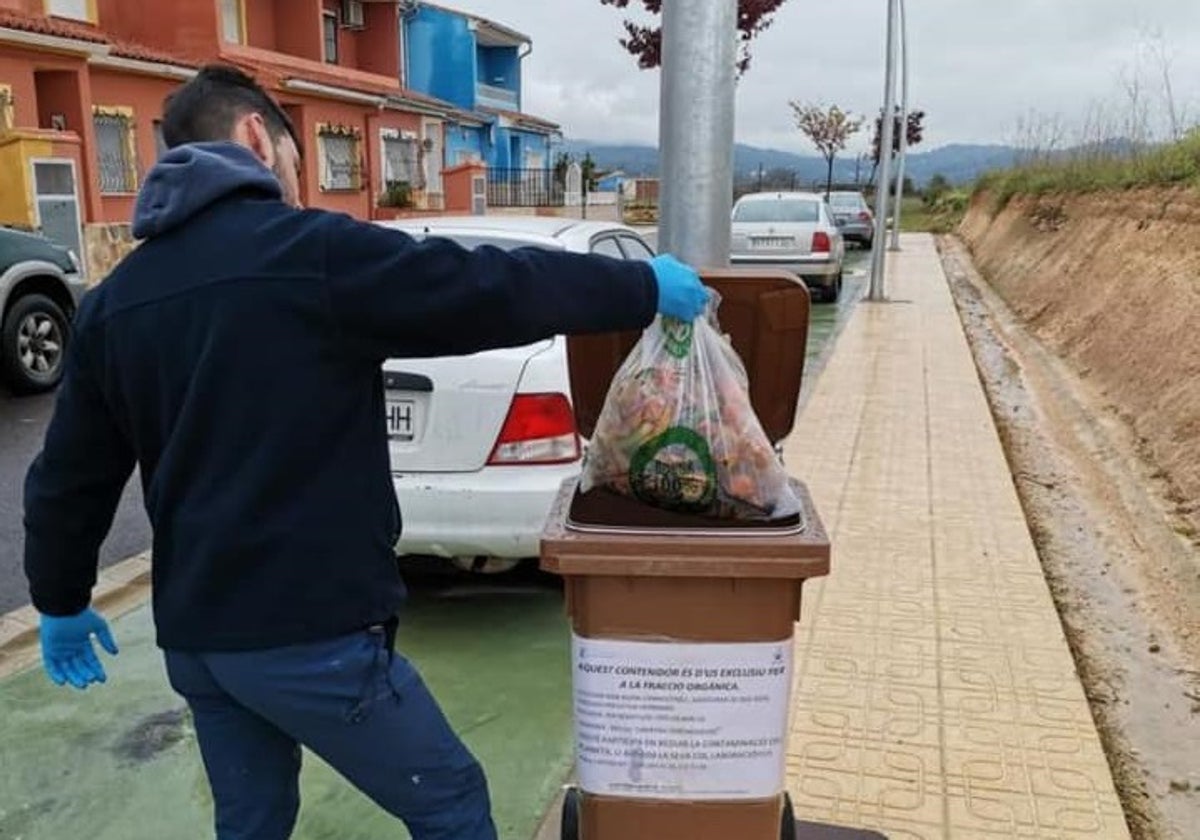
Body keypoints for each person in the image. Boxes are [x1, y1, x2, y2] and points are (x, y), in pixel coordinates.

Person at [23, 64, 709, 840]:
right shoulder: (310, 254)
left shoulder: (117, 302)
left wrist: (61, 599)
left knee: (252, 822)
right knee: (449, 800)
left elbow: (69, 478)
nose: (297, 178)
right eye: (295, 157)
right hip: (310, 633)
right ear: (257, 138)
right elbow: (486, 286)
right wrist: (638, 288)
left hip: (199, 641)